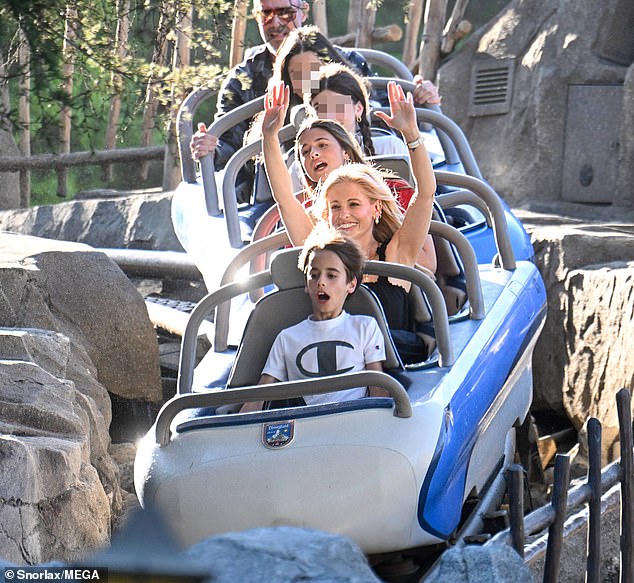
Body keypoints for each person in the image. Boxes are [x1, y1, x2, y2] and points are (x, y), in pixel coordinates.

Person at [261, 79, 437, 360]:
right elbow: (285, 199)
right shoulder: (319, 251)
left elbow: (426, 194)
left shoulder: (396, 252)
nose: (344, 214)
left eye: (354, 204)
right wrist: (269, 137)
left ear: (376, 208)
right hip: (333, 371)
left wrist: (412, 135)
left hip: (392, 371)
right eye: (335, 206)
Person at [240, 226, 387, 412]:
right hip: (304, 428)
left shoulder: (365, 327)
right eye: (314, 275)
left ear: (351, 284)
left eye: (331, 275)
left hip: (353, 421)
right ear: (306, 285)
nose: (321, 282)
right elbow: (259, 397)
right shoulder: (287, 338)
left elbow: (378, 388)